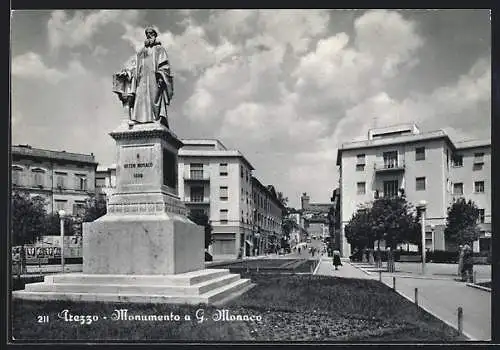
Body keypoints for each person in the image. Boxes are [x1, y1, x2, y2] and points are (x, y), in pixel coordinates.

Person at [114, 26, 174, 127]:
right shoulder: (141, 51)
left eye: (151, 33)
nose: (149, 35)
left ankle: (156, 118)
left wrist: (161, 77)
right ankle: (138, 119)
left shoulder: (159, 49)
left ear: (155, 35)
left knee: (155, 98)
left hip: (154, 78)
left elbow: (164, 65)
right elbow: (134, 65)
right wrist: (127, 72)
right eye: (147, 34)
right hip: (142, 78)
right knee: (140, 97)